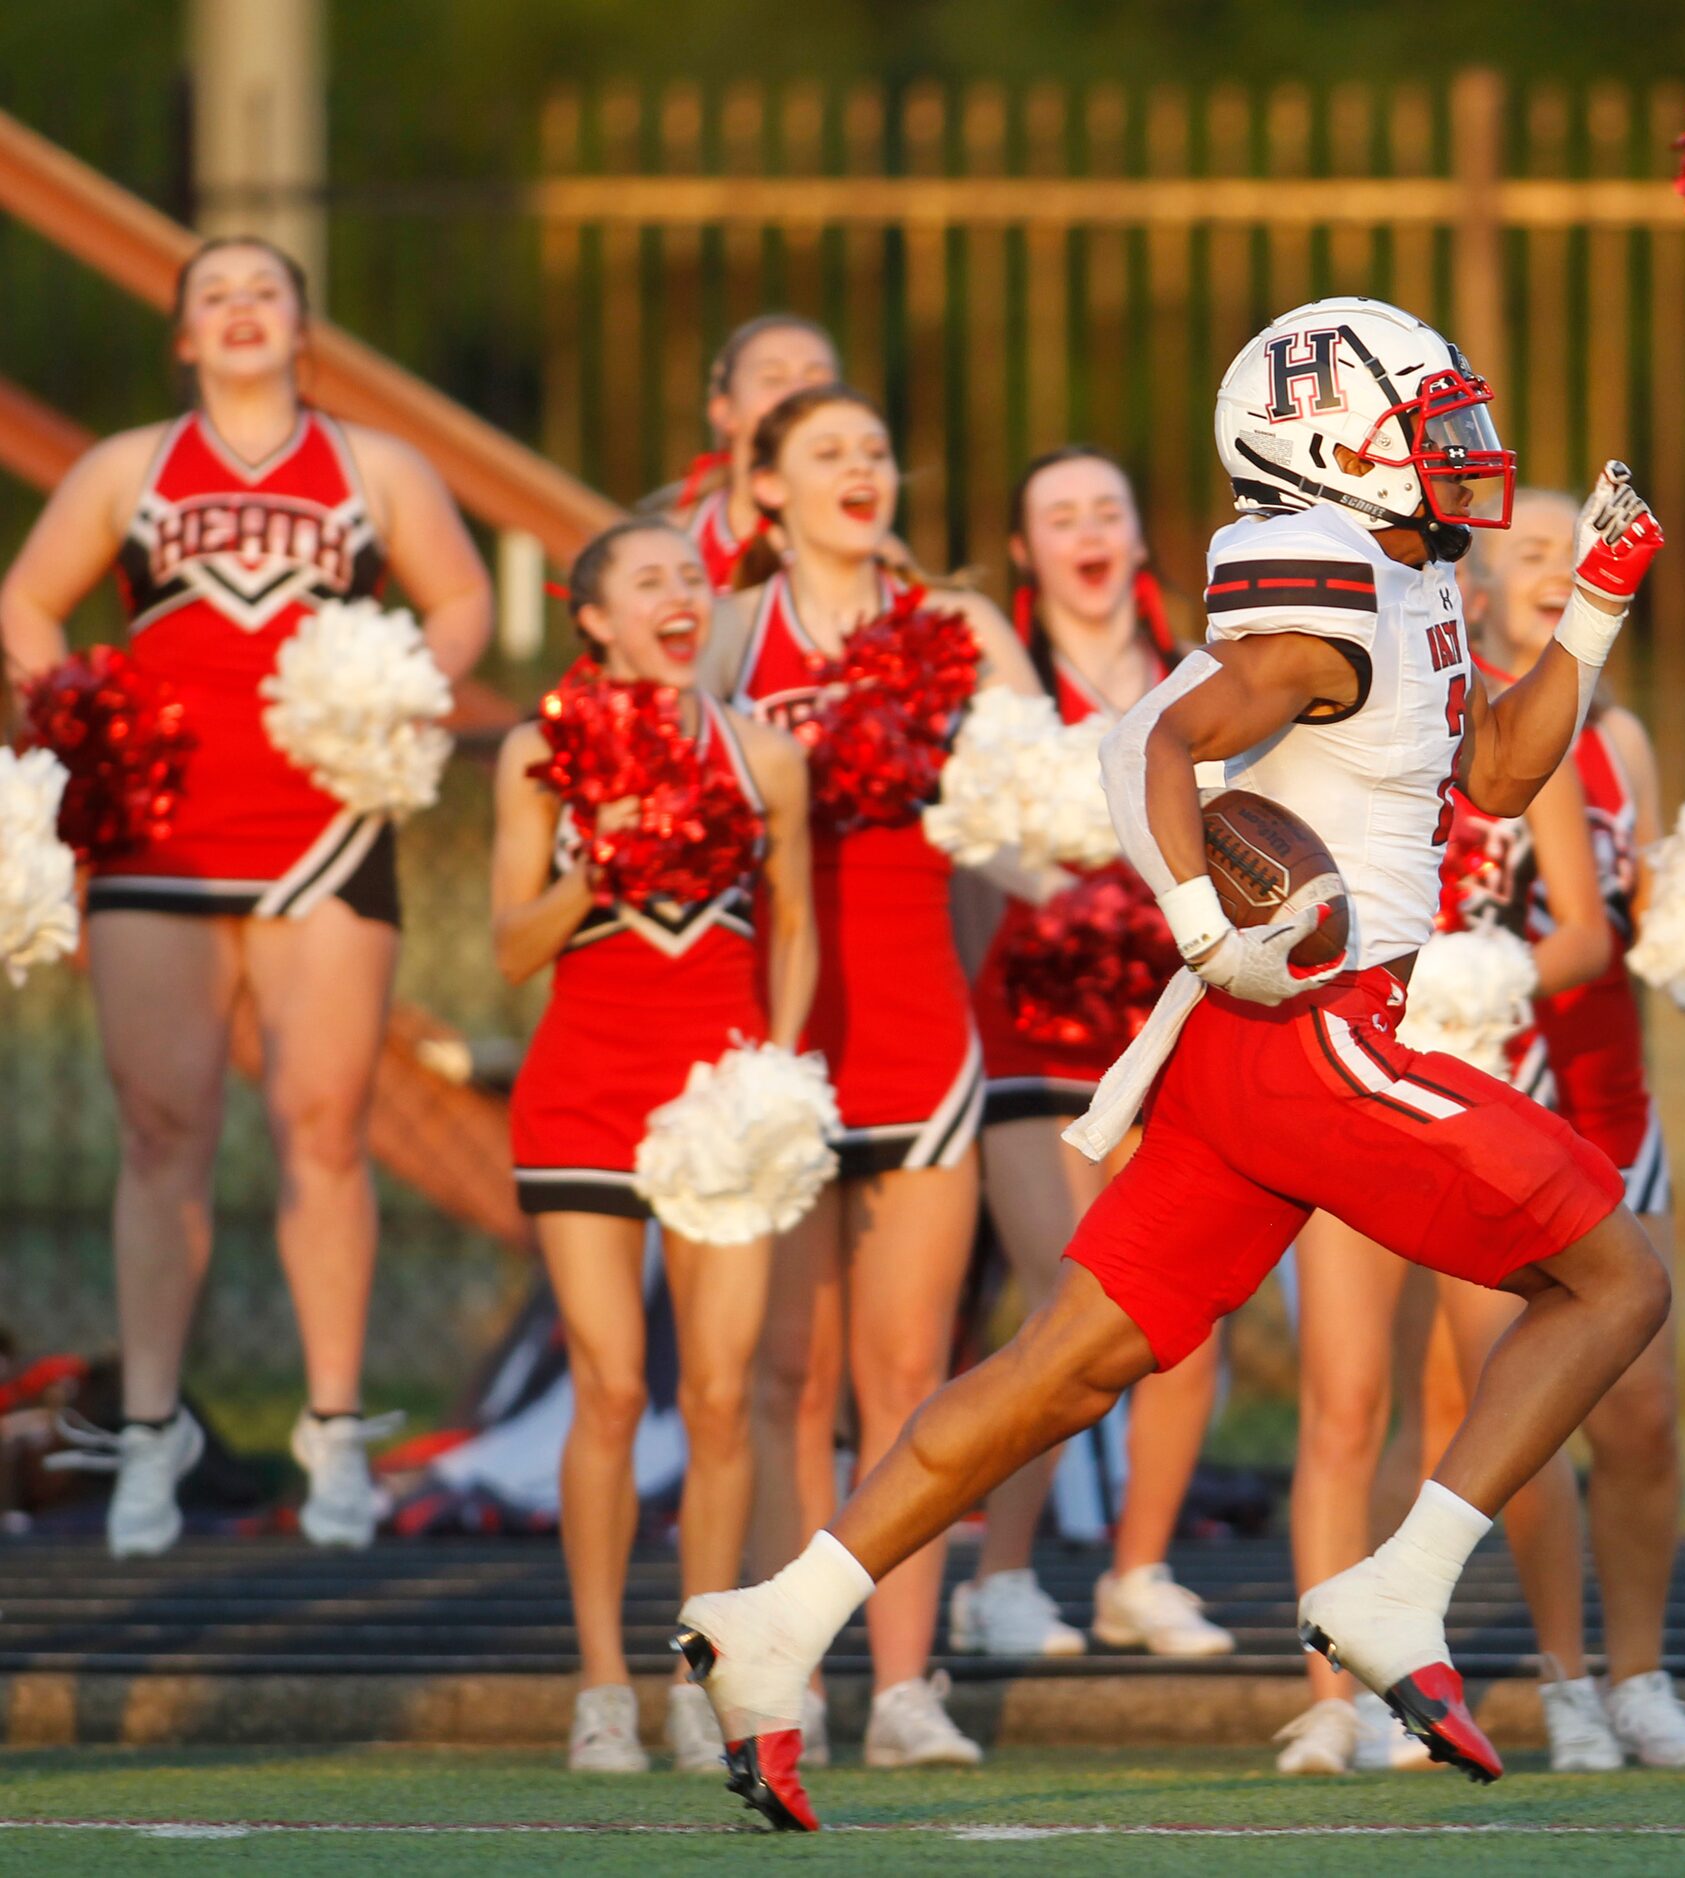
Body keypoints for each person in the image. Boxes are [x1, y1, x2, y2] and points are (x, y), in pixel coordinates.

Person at [673, 297, 1672, 1832]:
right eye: (1427, 424)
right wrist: (1207, 924)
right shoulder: (1323, 602)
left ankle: (773, 1623)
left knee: (1063, 1364)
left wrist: (1589, 610)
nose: (1459, 449)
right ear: (1329, 447)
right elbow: (1152, 739)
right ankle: (1399, 1589)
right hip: (1317, 1027)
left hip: (1244, 1060)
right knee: (1616, 1275)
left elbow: (1495, 775)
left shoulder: (1403, 578)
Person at [0, 235, 492, 1557]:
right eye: (211, 293)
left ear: (299, 325)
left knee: (322, 1129)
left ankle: (334, 1435)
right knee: (162, 1131)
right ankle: (152, 1436)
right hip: (155, 832)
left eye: (261, 290)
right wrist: (72, 714)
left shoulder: (375, 467)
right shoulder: (126, 468)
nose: (237, 309)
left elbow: (462, 599)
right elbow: (26, 603)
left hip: (324, 830)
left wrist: (398, 684)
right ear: (183, 336)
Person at [1328, 489, 1685, 1771]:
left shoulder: (1621, 736)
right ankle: (1559, 1680)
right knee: (1505, 1399)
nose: (1559, 568)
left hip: (1607, 1097)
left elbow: (1620, 919)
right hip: (1470, 1103)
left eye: (1575, 550)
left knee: (1646, 1411)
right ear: (1479, 584)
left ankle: (1641, 1677)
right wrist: (1456, 987)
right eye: (1532, 551)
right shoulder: (1437, 712)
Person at [702, 383, 1033, 1772]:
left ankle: (906, 1685)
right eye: (826, 452)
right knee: (792, 1372)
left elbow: (1041, 790)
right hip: (783, 1032)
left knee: (910, 1372)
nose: (862, 469)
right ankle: (794, 1668)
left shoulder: (956, 627)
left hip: (917, 1026)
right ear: (763, 487)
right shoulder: (729, 629)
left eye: (877, 450)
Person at [1271, 518, 1616, 1777]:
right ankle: (1335, 1699)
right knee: (1345, 1398)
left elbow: (1582, 930)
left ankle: (1567, 1685)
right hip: (1343, 1084)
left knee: (1504, 1399)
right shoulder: (1318, 731)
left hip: (1472, 1091)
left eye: (1447, 587)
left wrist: (1493, 970)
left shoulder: (1513, 733)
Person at [492, 519, 815, 1773]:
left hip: (719, 1099)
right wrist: (605, 854)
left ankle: (695, 1673)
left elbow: (793, 932)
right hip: (583, 1089)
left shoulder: (764, 755)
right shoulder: (540, 752)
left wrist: (777, 1066)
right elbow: (516, 945)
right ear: (595, 621)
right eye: (649, 582)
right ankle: (597, 1687)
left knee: (721, 1397)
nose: (681, 596)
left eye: (693, 577)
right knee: (612, 1386)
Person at [948, 445, 1232, 1664]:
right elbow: (968, 837)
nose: (1087, 530)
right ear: (1025, 551)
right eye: (1058, 514)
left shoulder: (1207, 680)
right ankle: (999, 1578)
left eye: (1107, 508)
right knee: (1075, 1300)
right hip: (1033, 1032)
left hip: (1170, 1032)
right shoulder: (1002, 685)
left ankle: (1138, 1569)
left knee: (1189, 1313)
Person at [651, 315, 842, 590]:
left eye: (816, 379)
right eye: (773, 378)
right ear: (725, 412)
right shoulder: (667, 543)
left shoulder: (873, 554)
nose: (798, 393)